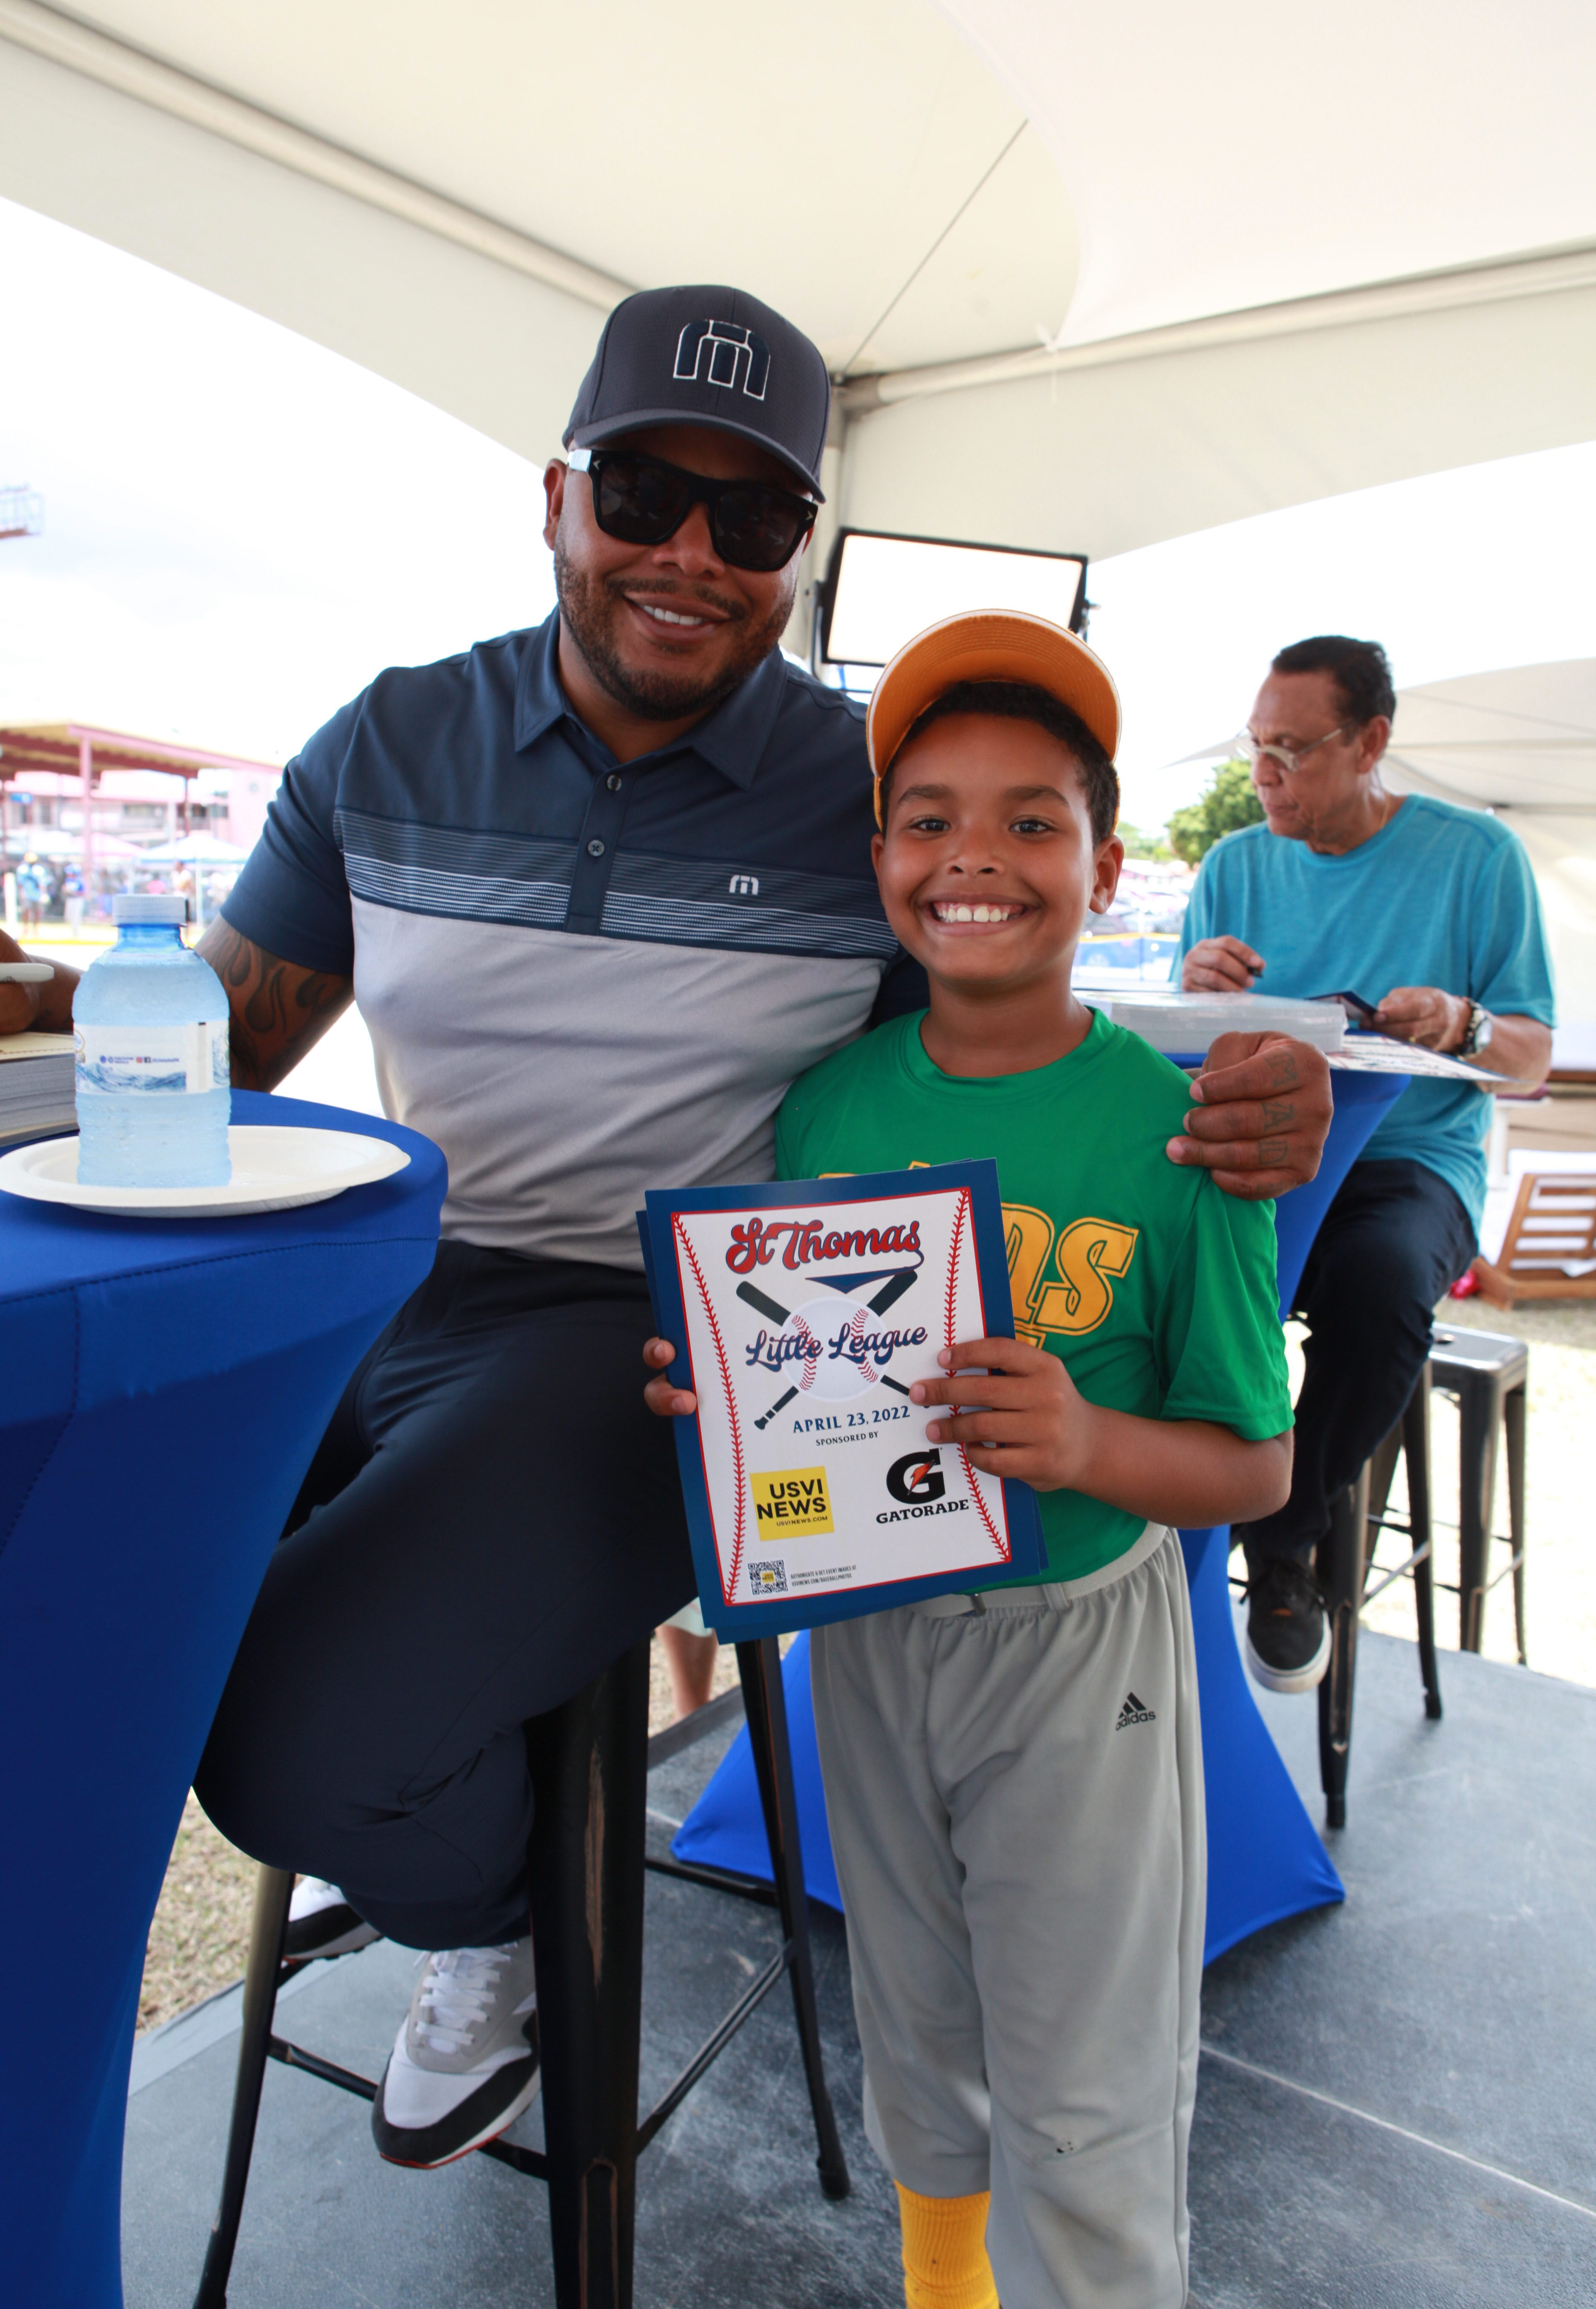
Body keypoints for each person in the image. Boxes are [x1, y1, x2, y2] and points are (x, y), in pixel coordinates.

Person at [0, 284, 1331, 2173]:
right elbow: (213, 1043)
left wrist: (1247, 1091)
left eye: (758, 520)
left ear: (798, 555)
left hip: (655, 1348)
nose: (692, 555)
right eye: (644, 493)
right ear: (559, 498)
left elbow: (1021, 1000)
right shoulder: (389, 743)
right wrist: (39, 1019)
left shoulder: (858, 794)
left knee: (292, 1735)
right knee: (85, 1614)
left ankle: (513, 1921)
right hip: (372, 1281)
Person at [645, 614, 1293, 2309]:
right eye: (929, 817)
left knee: (1087, 2090)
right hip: (875, 1638)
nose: (975, 859)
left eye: (1031, 818)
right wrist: (727, 1383)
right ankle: (947, 2288)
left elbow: (1258, 1470)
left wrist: (1082, 1438)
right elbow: (805, 1377)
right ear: (879, 859)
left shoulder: (1182, 1136)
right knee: (915, 2017)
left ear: (1106, 858)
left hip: (1084, 1651)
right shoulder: (825, 1109)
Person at [1181, 635, 1554, 1689]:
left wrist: (1464, 1022)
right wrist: (1198, 986)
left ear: (1372, 742)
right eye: (1256, 749)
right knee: (1145, 1263)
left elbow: (1529, 1056)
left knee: (1383, 1285)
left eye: (1291, 752)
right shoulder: (1233, 867)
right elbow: (1170, 1054)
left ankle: (1282, 1536)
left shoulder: (1476, 860)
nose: (1264, 778)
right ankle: (1140, 1536)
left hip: (1408, 1158)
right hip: (1256, 1144)